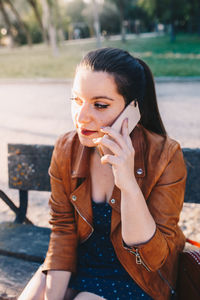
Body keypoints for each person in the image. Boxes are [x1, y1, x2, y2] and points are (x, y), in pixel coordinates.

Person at [18, 48, 186, 300]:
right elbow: (62, 232)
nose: (81, 117)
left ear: (133, 109)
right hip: (78, 264)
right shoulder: (67, 148)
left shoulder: (165, 155)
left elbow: (153, 258)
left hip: (139, 277)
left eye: (100, 105)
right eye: (77, 100)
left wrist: (127, 181)